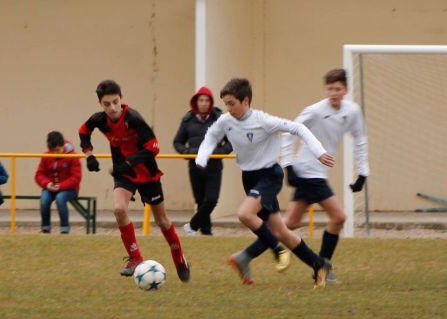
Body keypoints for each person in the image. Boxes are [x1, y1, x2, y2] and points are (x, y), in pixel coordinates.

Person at [196, 77, 334, 288]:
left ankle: (278, 251)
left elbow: (298, 128)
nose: (229, 109)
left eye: (232, 103)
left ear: (246, 101)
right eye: (226, 104)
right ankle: (319, 265)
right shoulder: (226, 121)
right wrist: (201, 158)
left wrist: (319, 152)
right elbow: (211, 137)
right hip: (249, 177)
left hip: (269, 176)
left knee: (244, 214)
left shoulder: (263, 120)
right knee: (281, 232)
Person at [79, 80, 190, 282]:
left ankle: (179, 258)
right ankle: (136, 257)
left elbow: (153, 147)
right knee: (119, 210)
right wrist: (89, 155)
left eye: (115, 102)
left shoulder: (133, 118)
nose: (112, 108)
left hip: (146, 172)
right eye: (107, 104)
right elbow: (83, 131)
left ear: (121, 98)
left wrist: (129, 163)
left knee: (161, 221)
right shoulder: (99, 120)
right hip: (124, 174)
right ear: (100, 104)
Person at [281, 69, 369, 284]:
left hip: (318, 172)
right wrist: (288, 165)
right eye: (330, 89)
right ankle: (323, 268)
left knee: (288, 224)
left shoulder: (353, 111)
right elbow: (288, 132)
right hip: (308, 173)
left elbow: (360, 140)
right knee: (339, 217)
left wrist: (363, 172)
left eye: (338, 89)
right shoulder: (315, 110)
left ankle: (247, 254)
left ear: (346, 90)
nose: (334, 93)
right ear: (325, 89)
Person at [173, 86, 231, 236]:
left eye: (207, 100)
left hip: (214, 166)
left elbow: (231, 142)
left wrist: (217, 152)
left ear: (211, 103)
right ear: (196, 102)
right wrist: (187, 152)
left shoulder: (219, 119)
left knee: (211, 199)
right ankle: (206, 233)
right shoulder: (188, 119)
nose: (204, 103)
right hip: (194, 166)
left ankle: (192, 226)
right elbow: (177, 142)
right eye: (201, 100)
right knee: (200, 201)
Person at [35, 131, 81, 234]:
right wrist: (47, 184)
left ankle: (65, 229)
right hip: (50, 187)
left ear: (63, 145)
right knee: (44, 200)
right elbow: (39, 175)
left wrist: (61, 186)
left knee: (60, 199)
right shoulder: (46, 156)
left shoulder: (73, 156)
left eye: (58, 150)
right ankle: (45, 228)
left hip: (70, 189)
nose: (55, 153)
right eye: (53, 151)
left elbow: (76, 177)